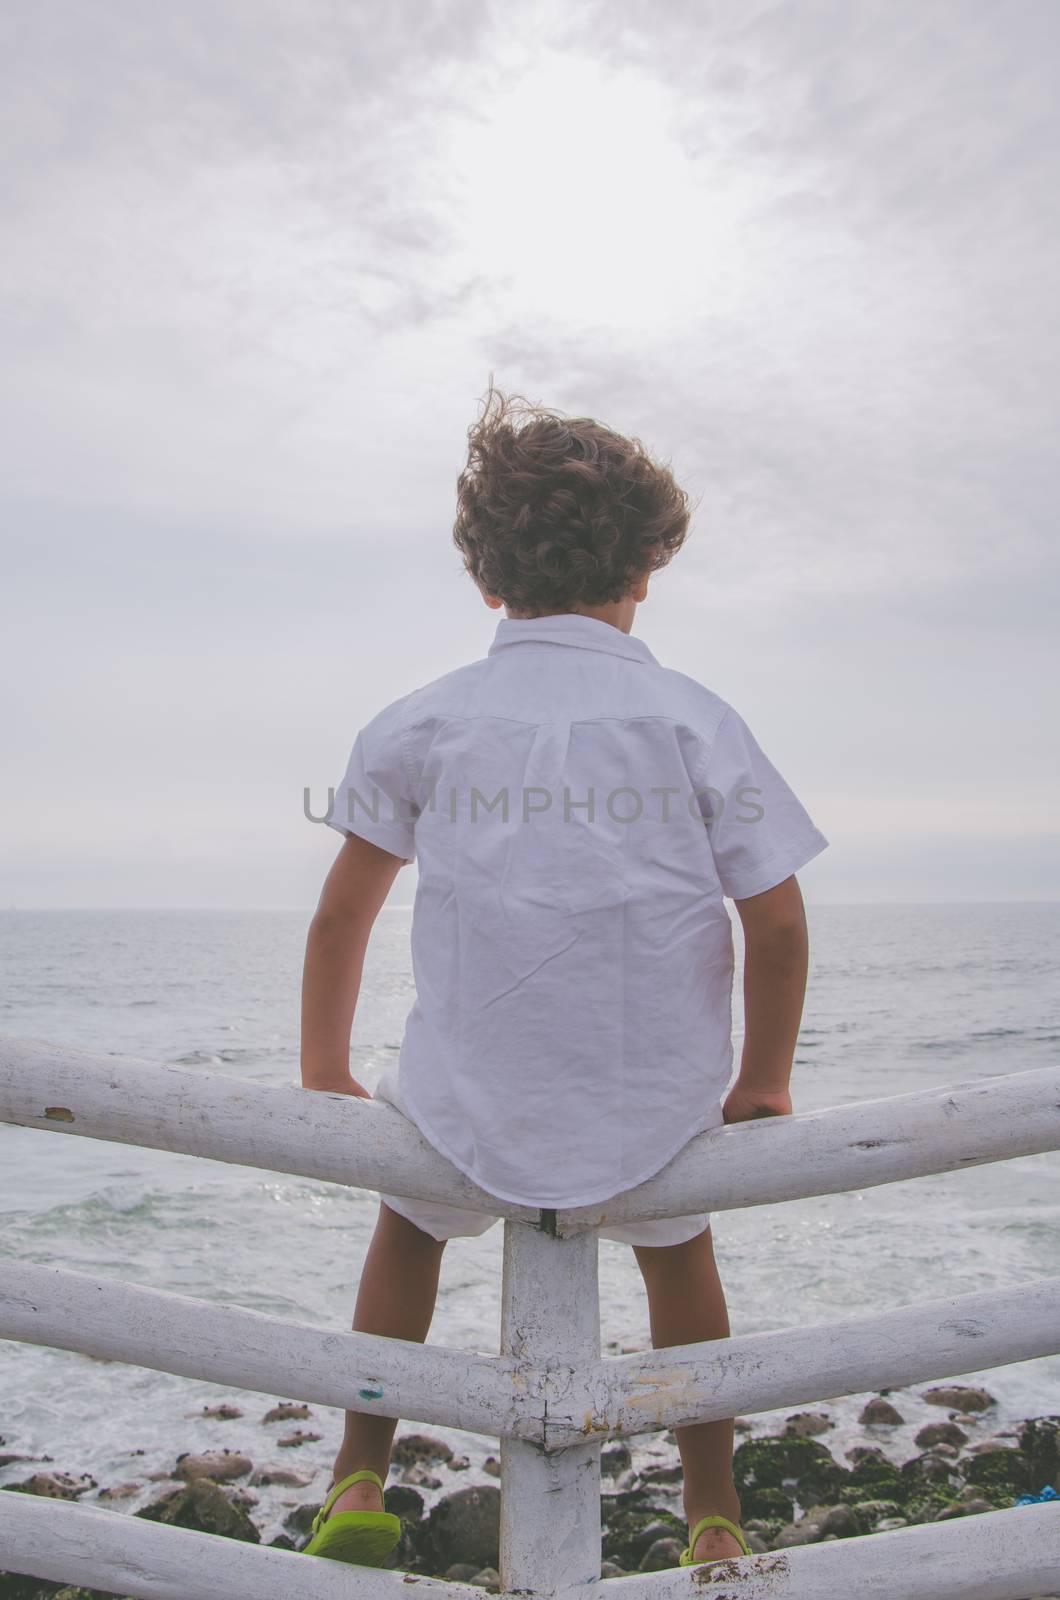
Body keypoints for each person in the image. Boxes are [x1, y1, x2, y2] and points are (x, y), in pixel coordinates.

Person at [299, 382, 828, 1569]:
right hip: (652, 1096)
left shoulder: (421, 721)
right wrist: (763, 1083)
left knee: (408, 1231)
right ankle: (710, 1506)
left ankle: (356, 1478)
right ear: (645, 567)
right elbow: (777, 922)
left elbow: (342, 917)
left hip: (464, 1099)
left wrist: (324, 1070)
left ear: (487, 578)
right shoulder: (691, 720)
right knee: (678, 1255)